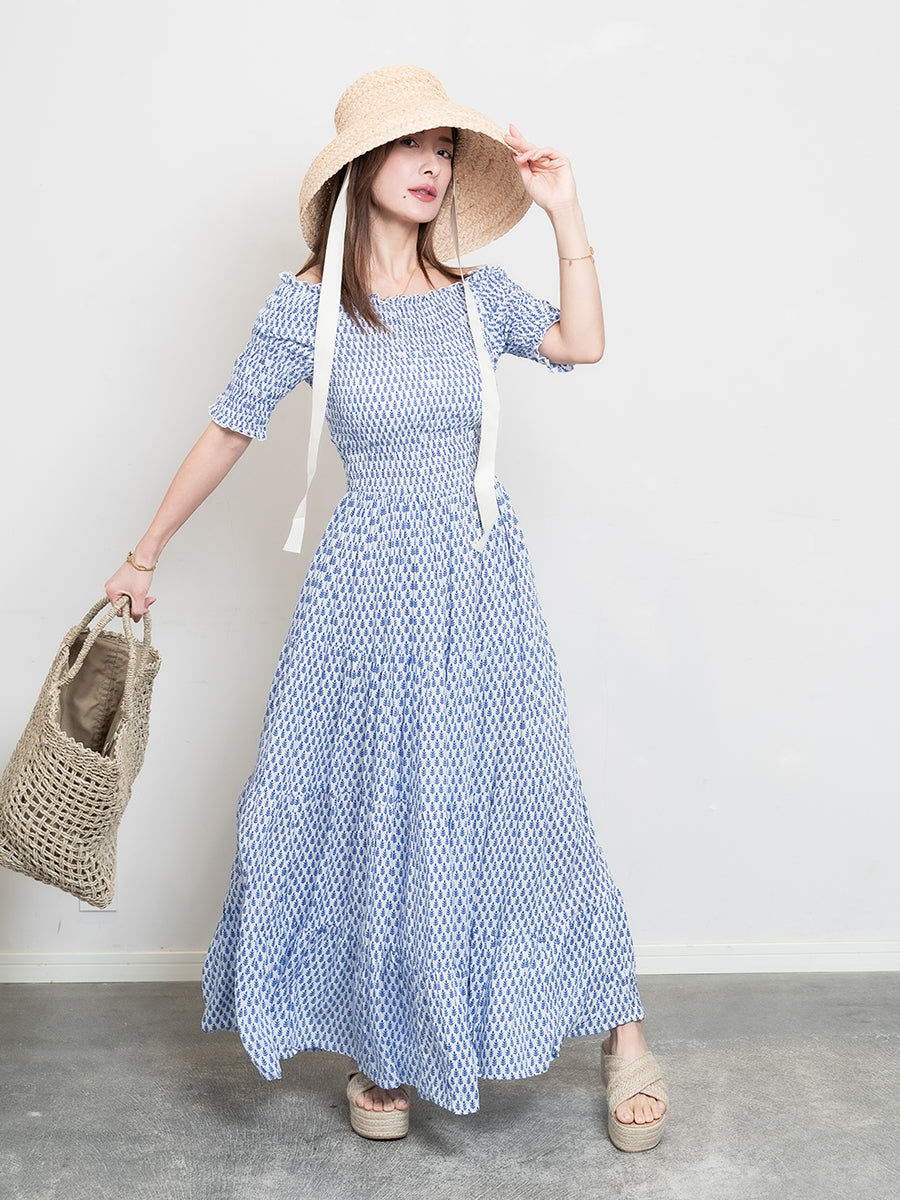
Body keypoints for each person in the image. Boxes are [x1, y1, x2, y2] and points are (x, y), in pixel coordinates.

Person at [105, 65, 668, 1150]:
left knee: (527, 798)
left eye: (445, 150)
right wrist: (144, 553)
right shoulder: (305, 307)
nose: (432, 166)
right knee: (376, 807)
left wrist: (565, 213)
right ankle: (388, 1041)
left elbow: (581, 343)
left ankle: (624, 1030)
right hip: (364, 591)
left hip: (480, 582)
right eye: (413, 146)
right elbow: (229, 426)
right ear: (361, 164)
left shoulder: (475, 297)